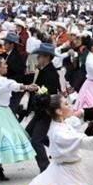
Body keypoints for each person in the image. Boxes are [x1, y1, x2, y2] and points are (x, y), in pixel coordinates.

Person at [25, 43, 63, 172]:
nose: (37, 58)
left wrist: (39, 92)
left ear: (46, 57)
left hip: (46, 111)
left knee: (36, 140)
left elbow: (52, 95)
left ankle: (45, 167)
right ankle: (58, 148)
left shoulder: (51, 73)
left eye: (39, 56)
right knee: (29, 133)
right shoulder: (44, 70)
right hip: (40, 111)